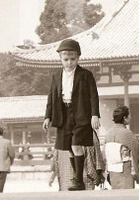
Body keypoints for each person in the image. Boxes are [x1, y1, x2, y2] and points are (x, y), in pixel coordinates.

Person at [43, 38, 101, 191]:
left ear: (78, 57)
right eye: (66, 59)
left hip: (81, 113)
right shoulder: (56, 76)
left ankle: (79, 180)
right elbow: (51, 97)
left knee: (76, 145)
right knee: (68, 147)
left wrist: (95, 115)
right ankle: (77, 178)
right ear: (60, 59)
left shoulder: (86, 75)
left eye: (73, 59)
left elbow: (93, 96)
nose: (69, 62)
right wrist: (47, 117)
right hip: (63, 113)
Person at [103, 106, 139, 190]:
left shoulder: (108, 133)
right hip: (125, 169)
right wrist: (137, 173)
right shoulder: (128, 134)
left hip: (112, 170)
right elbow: (135, 153)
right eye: (129, 115)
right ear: (124, 118)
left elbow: (104, 155)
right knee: (127, 194)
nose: (131, 117)